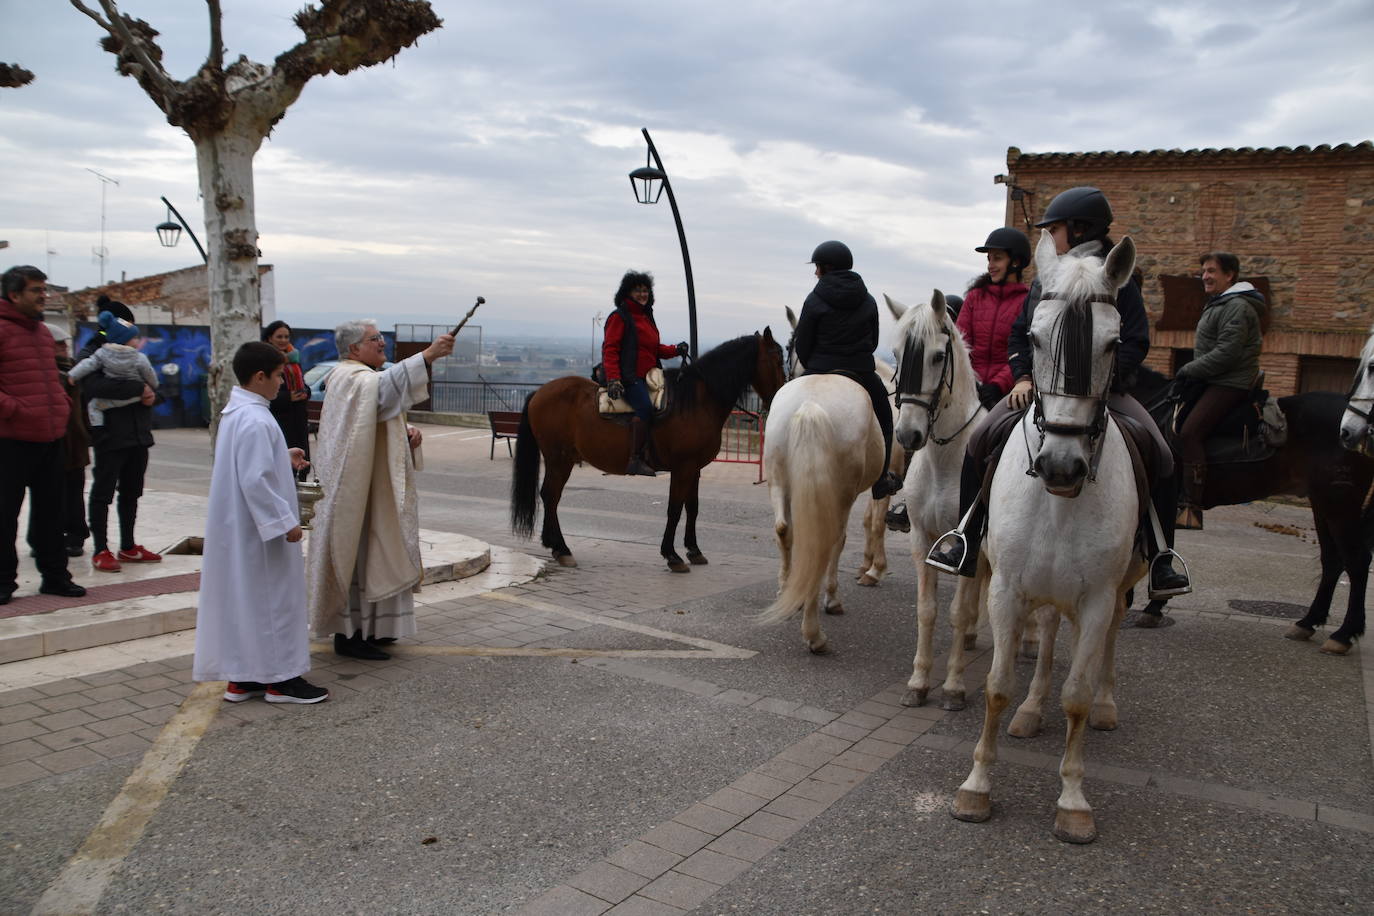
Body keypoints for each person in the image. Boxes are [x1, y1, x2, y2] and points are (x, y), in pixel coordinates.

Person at [926, 187, 1191, 600]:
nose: (1048, 235)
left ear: (1079, 228)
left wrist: (1101, 380)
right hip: (1040, 391)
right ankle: (966, 536)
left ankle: (1160, 554)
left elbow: (1136, 340)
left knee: (1162, 453)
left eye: (1054, 228)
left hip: (1103, 393)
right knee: (979, 440)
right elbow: (1021, 334)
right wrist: (1022, 377)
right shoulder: (1045, 279)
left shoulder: (1117, 277)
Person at [306, 320, 454, 660]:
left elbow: (379, 410)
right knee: (356, 554)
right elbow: (383, 389)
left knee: (376, 550)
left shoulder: (362, 378)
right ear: (354, 348)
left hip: (371, 484)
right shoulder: (349, 377)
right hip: (352, 490)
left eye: (381, 337)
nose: (382, 343)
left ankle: (377, 628)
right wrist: (428, 356)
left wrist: (407, 430)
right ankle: (348, 634)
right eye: (374, 339)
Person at [193, 342, 327, 703]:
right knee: (275, 600)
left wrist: (282, 455)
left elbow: (252, 465)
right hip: (261, 533)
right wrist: (285, 521)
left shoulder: (238, 413)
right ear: (259, 376)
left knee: (248, 602)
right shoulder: (255, 419)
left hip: (242, 529)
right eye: (279, 375)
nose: (283, 383)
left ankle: (245, 676)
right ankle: (282, 680)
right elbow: (256, 479)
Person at [0, 265, 86, 604]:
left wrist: (61, 405)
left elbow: (51, 378)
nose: (43, 296)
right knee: (4, 516)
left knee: (52, 512)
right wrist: (18, 410)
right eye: (36, 290)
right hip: (10, 439)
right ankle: (3, 582)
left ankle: (55, 577)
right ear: (14, 295)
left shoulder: (41, 332)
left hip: (50, 437)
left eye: (44, 289)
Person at [795, 240, 902, 499]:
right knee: (885, 417)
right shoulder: (868, 300)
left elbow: (803, 344)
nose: (815, 272)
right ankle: (881, 480)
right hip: (860, 371)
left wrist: (815, 364)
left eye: (818, 267)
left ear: (827, 268)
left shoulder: (814, 299)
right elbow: (873, 342)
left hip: (820, 367)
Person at [1172, 252, 1266, 530]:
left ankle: (1191, 506)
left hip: (1231, 382)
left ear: (1230, 275)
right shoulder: (1221, 303)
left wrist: (1189, 369)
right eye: (1203, 271)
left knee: (1189, 432)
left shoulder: (1237, 306)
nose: (1205, 276)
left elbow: (1228, 352)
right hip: (1213, 379)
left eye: (1212, 271)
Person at [76, 295, 161, 574]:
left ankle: (128, 545)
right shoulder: (93, 352)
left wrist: (150, 395)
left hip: (137, 434)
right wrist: (139, 390)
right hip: (109, 436)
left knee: (131, 492)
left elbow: (153, 384)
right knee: (103, 493)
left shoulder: (133, 353)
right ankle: (101, 549)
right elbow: (94, 388)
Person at [602, 271, 688, 476]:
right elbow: (610, 349)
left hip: (649, 376)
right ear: (627, 293)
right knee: (644, 408)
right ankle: (635, 459)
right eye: (638, 290)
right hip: (628, 377)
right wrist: (614, 378)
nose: (643, 294)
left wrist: (676, 350)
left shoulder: (646, 317)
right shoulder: (619, 317)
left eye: (645, 290)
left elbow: (655, 349)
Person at [30, 323, 91, 557]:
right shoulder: (41, 372)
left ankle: (75, 535)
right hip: (48, 440)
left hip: (74, 441)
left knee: (73, 492)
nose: (64, 348)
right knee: (45, 495)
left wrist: (88, 433)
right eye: (58, 345)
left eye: (64, 344)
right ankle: (40, 538)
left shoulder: (75, 371)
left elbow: (83, 406)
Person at [959, 228, 1032, 410]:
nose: (990, 265)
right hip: (970, 388)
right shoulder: (974, 297)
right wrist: (971, 381)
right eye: (989, 259)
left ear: (1015, 262)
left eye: (997, 258)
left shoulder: (1029, 301)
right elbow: (960, 344)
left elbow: (1026, 350)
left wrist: (998, 385)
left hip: (1008, 392)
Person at [68, 310, 158, 428]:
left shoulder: (102, 353)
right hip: (136, 398)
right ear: (127, 340)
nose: (138, 340)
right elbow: (149, 373)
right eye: (135, 337)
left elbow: (87, 364)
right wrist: (153, 386)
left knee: (94, 406)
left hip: (112, 400)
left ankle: (97, 426)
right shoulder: (139, 357)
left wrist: (73, 375)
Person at [262, 320, 311, 479]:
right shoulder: (264, 360)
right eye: (279, 337)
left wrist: (305, 391)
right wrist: (287, 397)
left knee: (301, 466)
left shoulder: (294, 358)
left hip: (298, 420)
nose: (283, 340)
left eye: (286, 337)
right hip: (280, 421)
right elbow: (263, 393)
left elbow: (302, 383)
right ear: (270, 338)